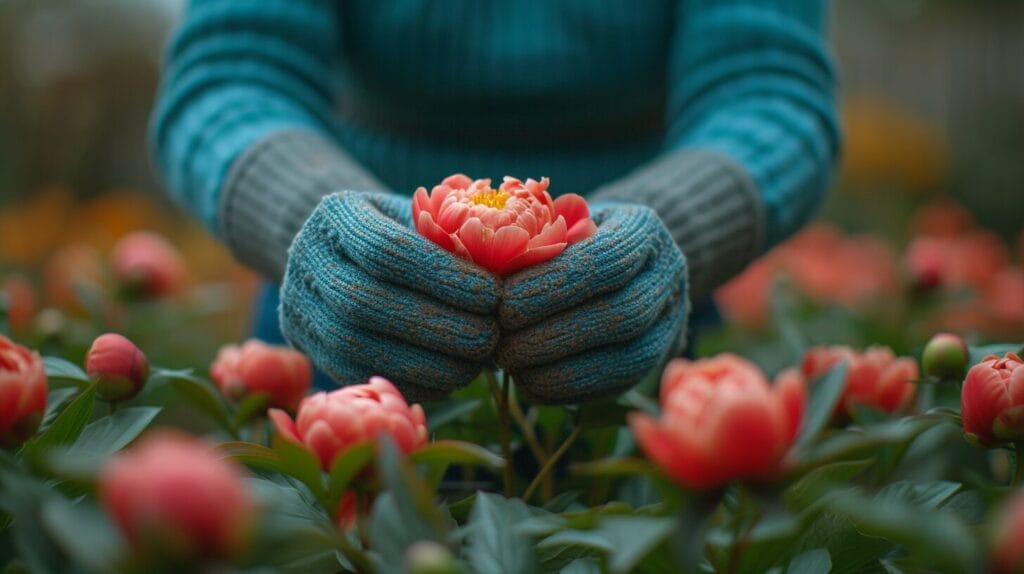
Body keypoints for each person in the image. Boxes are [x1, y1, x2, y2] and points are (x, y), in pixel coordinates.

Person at [151, 0, 840, 403]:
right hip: (350, 320)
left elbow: (770, 92)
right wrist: (310, 212)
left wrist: (679, 227)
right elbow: (228, 80)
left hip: (637, 318)